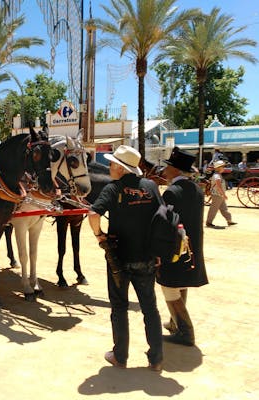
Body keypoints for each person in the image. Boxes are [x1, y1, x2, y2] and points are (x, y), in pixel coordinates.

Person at [88, 145, 164, 372]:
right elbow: (162, 218)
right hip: (147, 258)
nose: (110, 167)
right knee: (150, 308)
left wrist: (99, 235)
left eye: (112, 164)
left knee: (119, 307)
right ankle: (156, 359)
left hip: (118, 260)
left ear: (120, 168)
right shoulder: (150, 186)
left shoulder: (114, 188)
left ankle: (120, 357)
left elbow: (93, 214)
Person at [158, 147, 208, 347]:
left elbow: (165, 224)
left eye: (169, 167)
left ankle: (186, 332)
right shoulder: (196, 188)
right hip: (192, 246)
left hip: (175, 247)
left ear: (176, 171)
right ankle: (174, 322)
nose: (166, 170)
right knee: (182, 284)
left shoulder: (171, 192)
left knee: (169, 287)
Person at [206, 160, 237, 228]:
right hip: (217, 194)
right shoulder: (217, 176)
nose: (224, 168)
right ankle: (209, 222)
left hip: (219, 195)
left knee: (224, 208)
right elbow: (219, 186)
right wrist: (224, 195)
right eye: (222, 167)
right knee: (214, 209)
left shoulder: (218, 175)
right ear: (219, 168)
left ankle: (229, 220)